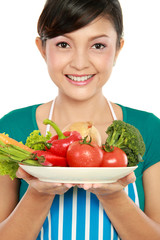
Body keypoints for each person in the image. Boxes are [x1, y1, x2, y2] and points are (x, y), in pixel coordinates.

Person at [0, 0, 160, 239]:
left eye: (98, 45)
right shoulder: (13, 127)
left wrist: (113, 195)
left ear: (118, 48)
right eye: (63, 44)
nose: (80, 63)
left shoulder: (148, 128)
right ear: (42, 49)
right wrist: (39, 193)